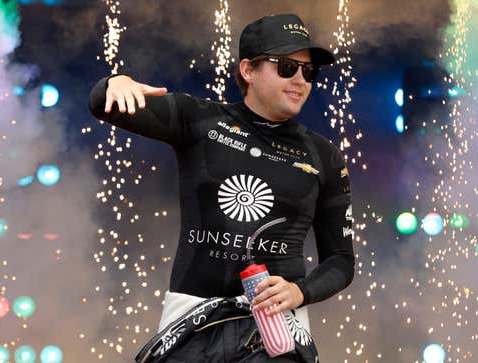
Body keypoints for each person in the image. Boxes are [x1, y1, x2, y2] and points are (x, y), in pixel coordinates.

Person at [89, 13, 355, 363]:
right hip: (190, 326)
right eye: (287, 67)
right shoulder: (199, 119)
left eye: (309, 72)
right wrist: (115, 81)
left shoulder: (324, 156)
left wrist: (298, 291)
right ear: (248, 70)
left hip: (275, 334)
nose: (301, 80)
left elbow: (341, 261)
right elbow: (103, 105)